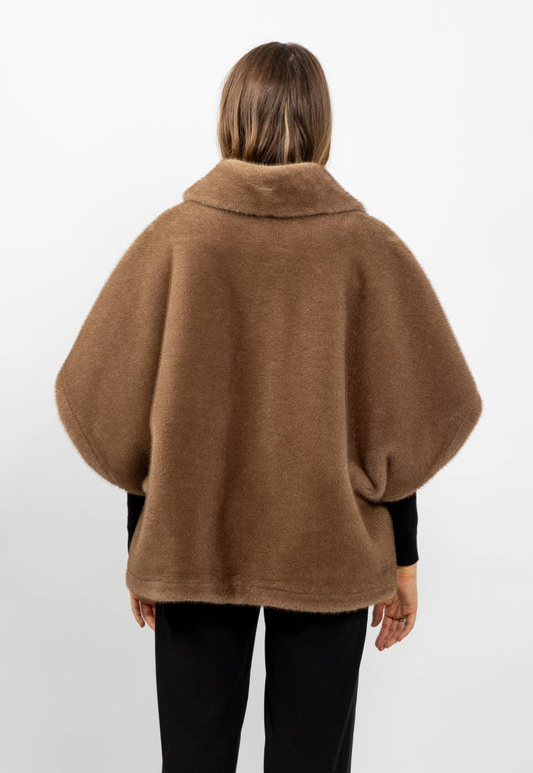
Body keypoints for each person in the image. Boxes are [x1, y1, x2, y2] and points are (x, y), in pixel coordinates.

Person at [55, 41, 483, 772]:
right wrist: (404, 559)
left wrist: (143, 545)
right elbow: (401, 423)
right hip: (329, 550)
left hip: (191, 544)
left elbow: (123, 412)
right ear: (322, 125)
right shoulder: (365, 248)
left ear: (230, 118)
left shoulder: (177, 241)